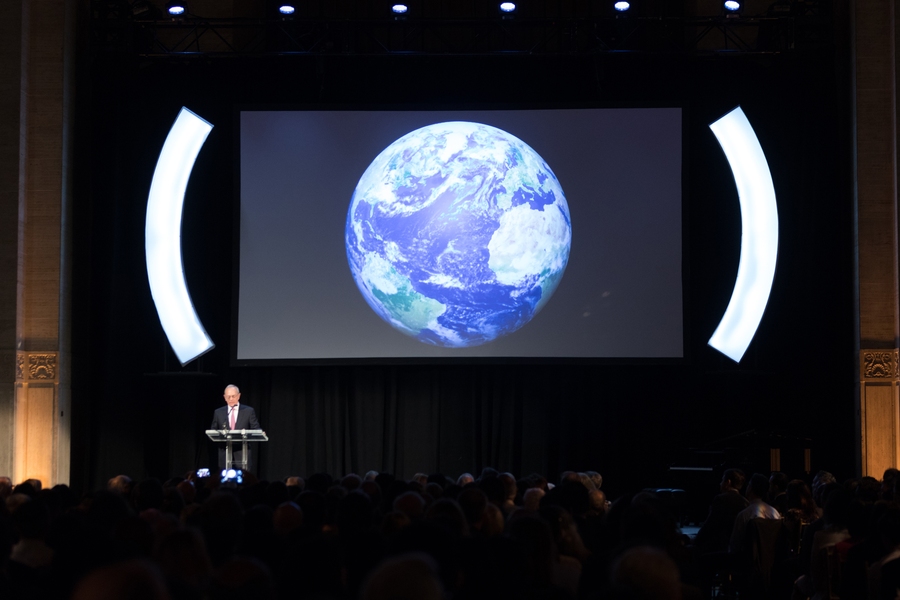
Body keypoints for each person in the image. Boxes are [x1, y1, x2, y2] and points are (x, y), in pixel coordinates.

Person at [211, 385, 261, 473]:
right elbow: (213, 431)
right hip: (225, 452)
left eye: (233, 396)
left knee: (244, 480)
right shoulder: (218, 412)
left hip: (242, 452)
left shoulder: (248, 411)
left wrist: (260, 432)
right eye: (228, 397)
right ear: (224, 397)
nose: (231, 399)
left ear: (239, 396)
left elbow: (255, 428)